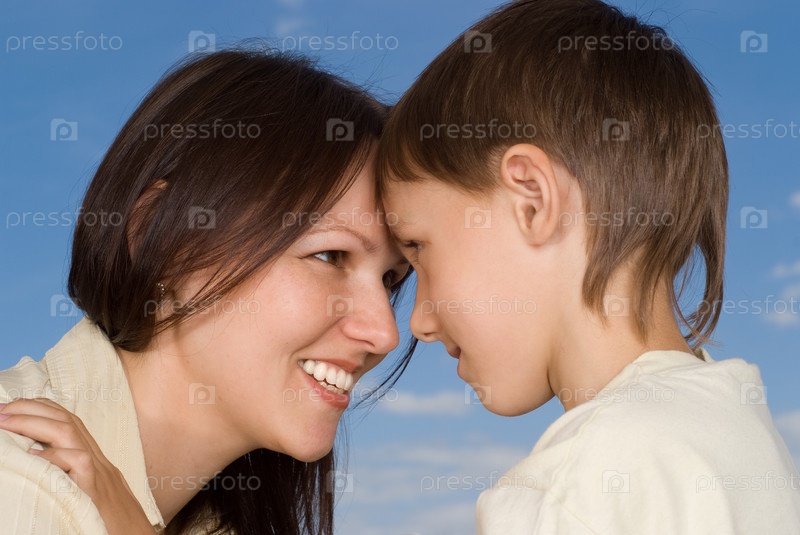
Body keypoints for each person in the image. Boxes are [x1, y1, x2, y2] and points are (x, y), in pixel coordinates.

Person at [375, 0, 800, 533]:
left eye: (419, 247)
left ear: (531, 201)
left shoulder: (573, 490)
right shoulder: (744, 436)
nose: (419, 322)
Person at [0, 48, 413, 535]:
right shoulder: (20, 483)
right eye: (330, 256)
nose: (384, 333)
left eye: (390, 279)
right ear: (162, 238)